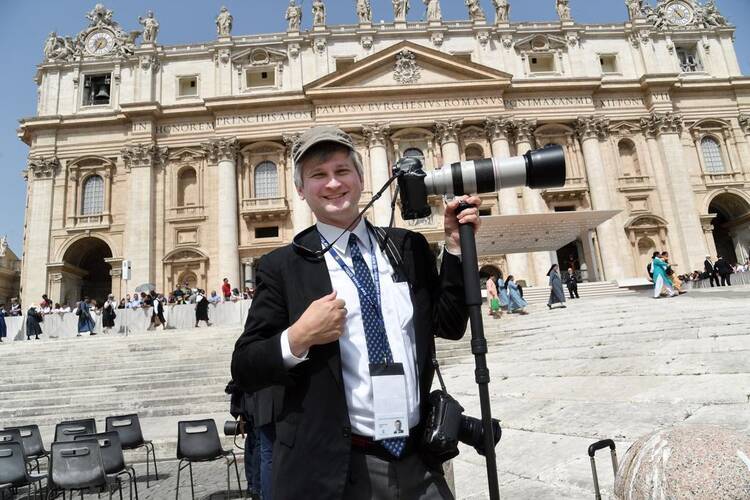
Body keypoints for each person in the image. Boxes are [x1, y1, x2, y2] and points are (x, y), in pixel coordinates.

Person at [231, 125, 480, 499]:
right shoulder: (282, 266)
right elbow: (245, 365)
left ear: (361, 178)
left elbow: (449, 324)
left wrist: (457, 250)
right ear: (301, 190)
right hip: (339, 469)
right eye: (318, 175)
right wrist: (297, 337)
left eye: (342, 171)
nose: (333, 184)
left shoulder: (406, 247)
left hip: (418, 460)